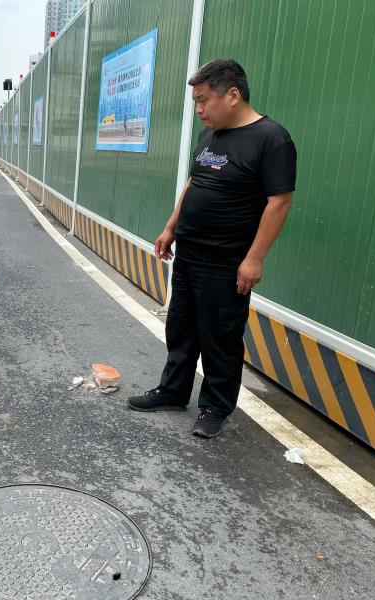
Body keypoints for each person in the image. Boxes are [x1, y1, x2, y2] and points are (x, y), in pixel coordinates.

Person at [128, 59, 297, 438]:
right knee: (181, 327)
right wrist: (170, 228)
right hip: (189, 253)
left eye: (204, 100)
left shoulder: (271, 139)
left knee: (220, 337)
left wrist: (254, 259)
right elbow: (193, 183)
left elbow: (279, 202)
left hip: (227, 261)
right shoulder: (209, 136)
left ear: (232, 95)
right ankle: (173, 392)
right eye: (196, 103)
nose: (199, 110)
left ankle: (215, 407)